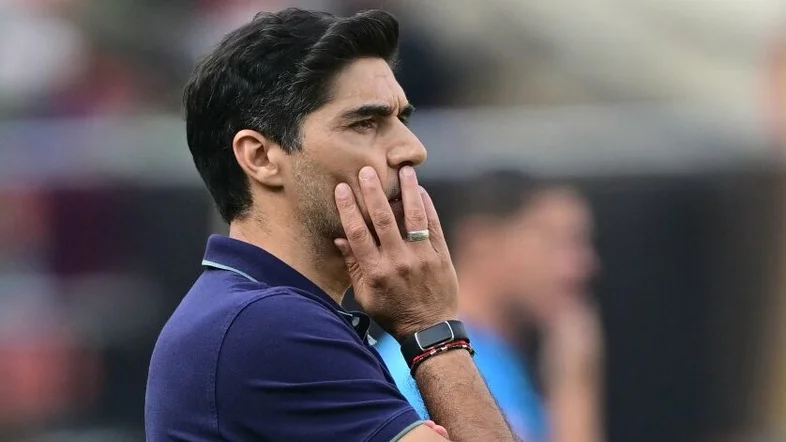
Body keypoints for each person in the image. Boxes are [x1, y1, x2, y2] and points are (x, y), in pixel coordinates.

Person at [144, 8, 517, 442]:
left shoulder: (260, 313)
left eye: (402, 119)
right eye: (365, 123)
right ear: (260, 158)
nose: (413, 149)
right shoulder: (266, 325)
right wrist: (433, 329)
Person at [376, 170, 605, 442]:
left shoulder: (499, 359)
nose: (582, 266)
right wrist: (575, 388)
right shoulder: (426, 366)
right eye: (555, 243)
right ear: (481, 244)